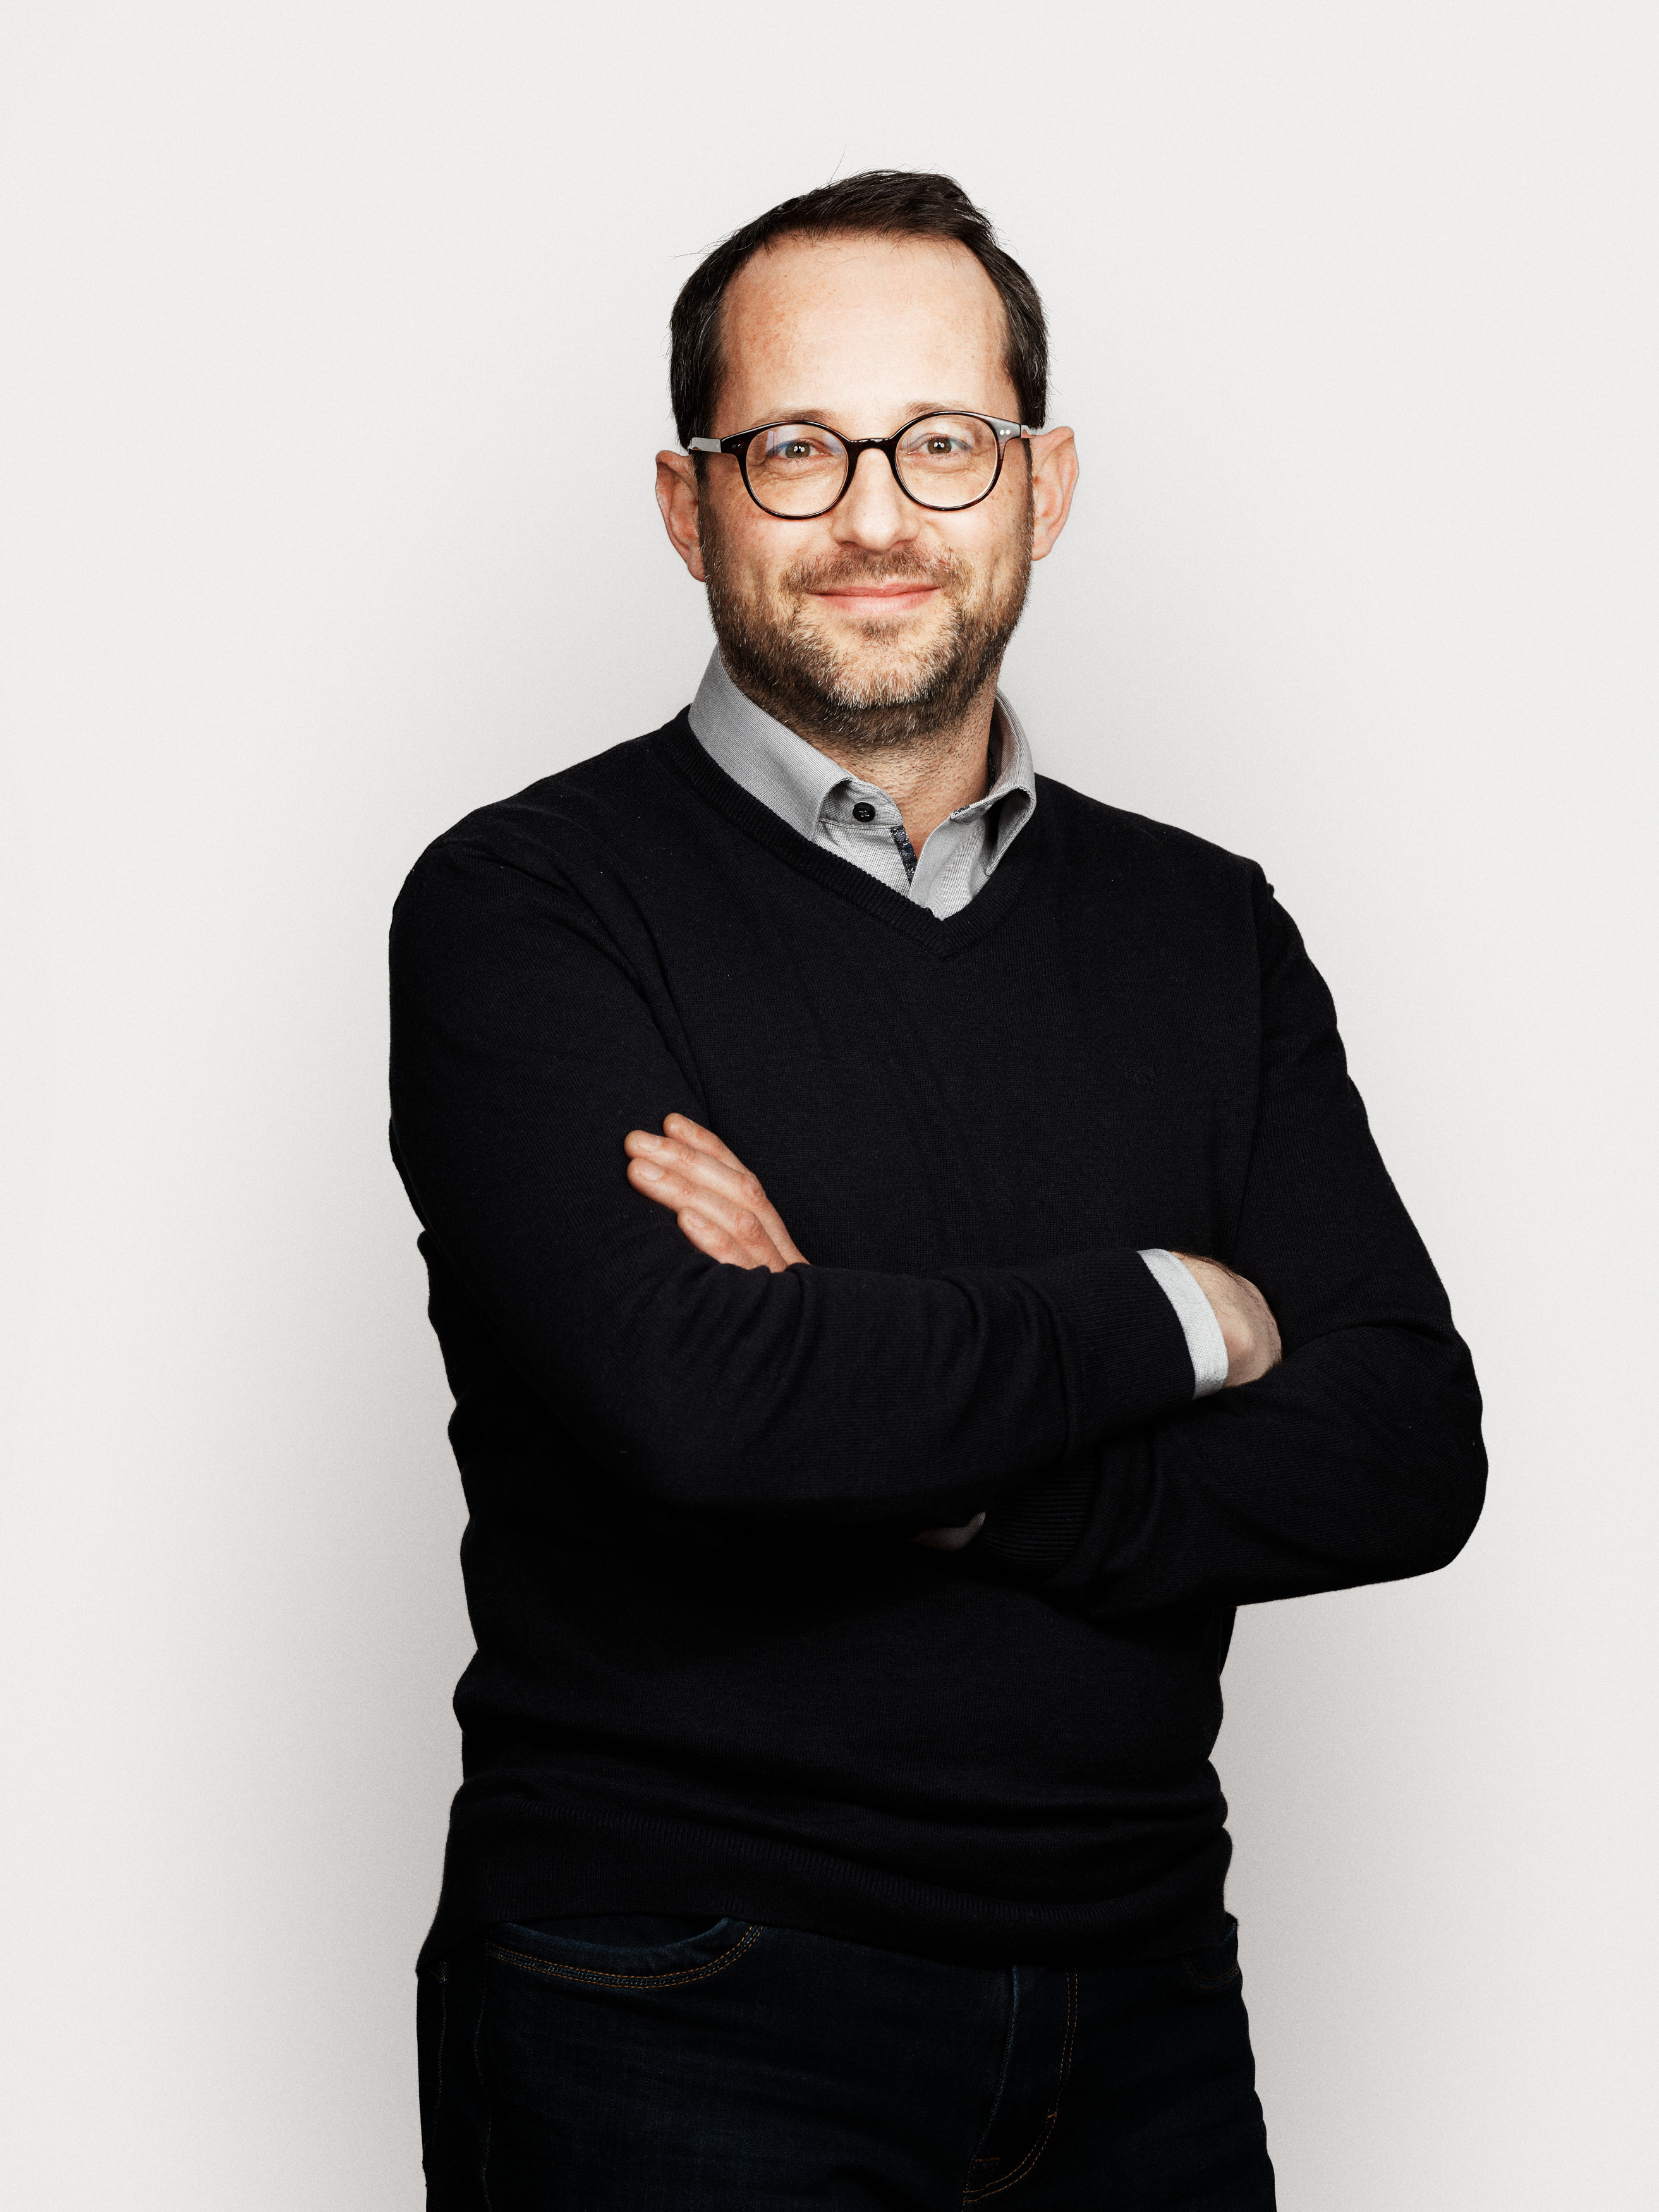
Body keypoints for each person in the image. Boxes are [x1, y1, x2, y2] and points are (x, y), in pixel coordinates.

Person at [391, 169, 1485, 2210]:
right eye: (795, 448)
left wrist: (921, 1439)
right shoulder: (528, 906)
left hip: (1144, 2001)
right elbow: (706, 1408)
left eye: (942, 444)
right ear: (687, 503)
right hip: (672, 1985)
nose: (877, 514)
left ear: (1040, 485)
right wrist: (1177, 1308)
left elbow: (1406, 1449)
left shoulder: (1206, 930)